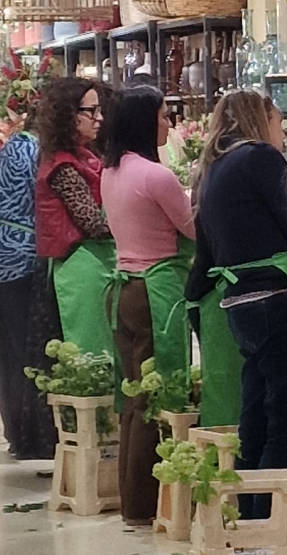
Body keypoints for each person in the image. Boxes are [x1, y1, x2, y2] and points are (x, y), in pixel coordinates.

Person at [184, 90, 287, 518]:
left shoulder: (211, 170)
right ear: (261, 120)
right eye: (279, 121)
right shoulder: (260, 157)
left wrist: (192, 305)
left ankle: (245, 518)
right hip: (278, 302)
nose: (281, 131)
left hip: (239, 306)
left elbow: (203, 258)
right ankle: (268, 524)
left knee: (256, 419)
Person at [99, 85, 195, 525]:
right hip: (157, 290)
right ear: (143, 121)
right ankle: (151, 499)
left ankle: (134, 496)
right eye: (161, 115)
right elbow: (192, 228)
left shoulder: (111, 171)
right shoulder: (157, 176)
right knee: (161, 394)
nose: (168, 124)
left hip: (124, 290)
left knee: (134, 394)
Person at [34, 77, 115, 358]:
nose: (99, 118)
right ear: (69, 115)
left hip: (95, 262)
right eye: (90, 111)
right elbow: (92, 222)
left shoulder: (85, 156)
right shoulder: (62, 166)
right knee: (92, 353)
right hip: (81, 267)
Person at [0, 103, 56, 460]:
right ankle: (32, 434)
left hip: (4, 256)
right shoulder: (37, 154)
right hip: (22, 257)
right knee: (28, 350)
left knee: (8, 352)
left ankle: (15, 431)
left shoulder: (12, 149)